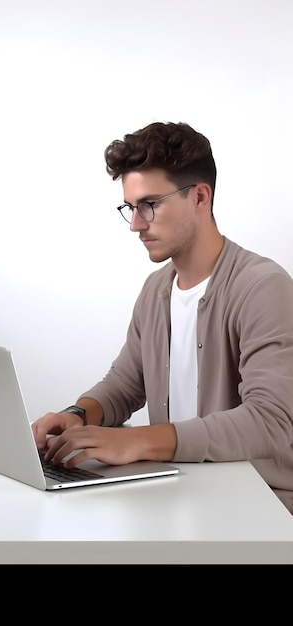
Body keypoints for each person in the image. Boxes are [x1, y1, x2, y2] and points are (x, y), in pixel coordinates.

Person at [32, 121, 293, 514]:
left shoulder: (262, 287)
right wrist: (80, 415)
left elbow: (271, 420)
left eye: (149, 204)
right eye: (130, 208)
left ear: (200, 197)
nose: (136, 224)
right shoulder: (156, 291)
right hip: (182, 498)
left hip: (259, 507)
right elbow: (124, 384)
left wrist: (139, 441)